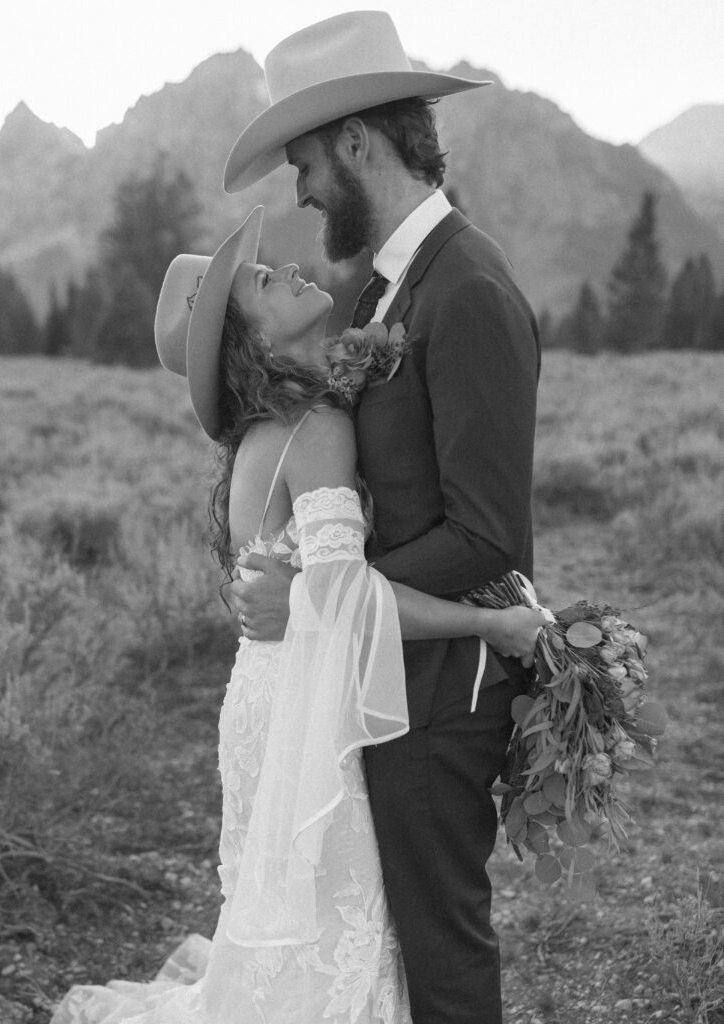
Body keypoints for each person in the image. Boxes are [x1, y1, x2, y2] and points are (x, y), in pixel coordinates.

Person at [49, 205, 542, 1024]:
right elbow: (342, 600)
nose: (280, 270)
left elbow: (311, 589)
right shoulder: (314, 428)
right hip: (303, 702)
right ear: (253, 340)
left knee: (292, 932)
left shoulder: (271, 431)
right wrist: (490, 625)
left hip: (267, 692)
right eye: (259, 283)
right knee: (330, 932)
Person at [221, 12, 541, 1024]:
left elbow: (486, 534)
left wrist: (323, 598)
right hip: (388, 677)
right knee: (400, 950)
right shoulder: (379, 294)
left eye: (308, 162)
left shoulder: (469, 288)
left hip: (444, 694)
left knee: (441, 953)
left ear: (359, 142)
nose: (303, 190)